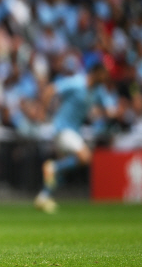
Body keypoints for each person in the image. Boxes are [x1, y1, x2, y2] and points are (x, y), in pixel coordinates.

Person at [34, 63, 117, 213]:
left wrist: (113, 111)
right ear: (95, 72)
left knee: (62, 173)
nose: (106, 78)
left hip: (73, 132)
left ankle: (43, 196)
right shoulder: (77, 83)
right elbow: (50, 89)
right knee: (85, 157)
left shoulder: (98, 91)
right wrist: (42, 111)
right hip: (62, 129)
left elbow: (110, 109)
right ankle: (53, 166)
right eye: (104, 74)